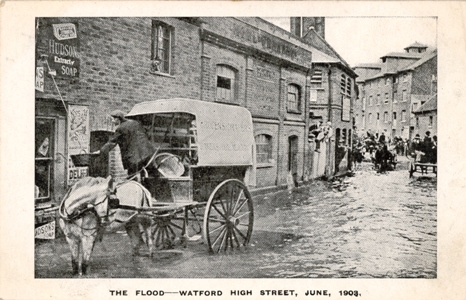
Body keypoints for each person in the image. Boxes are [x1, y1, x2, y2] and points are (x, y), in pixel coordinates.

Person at [93, 110, 156, 177]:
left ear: (118, 118)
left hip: (134, 158)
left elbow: (112, 142)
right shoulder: (135, 123)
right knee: (149, 176)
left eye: (113, 119)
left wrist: (101, 151)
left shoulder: (120, 128)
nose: (112, 121)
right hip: (148, 154)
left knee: (132, 176)